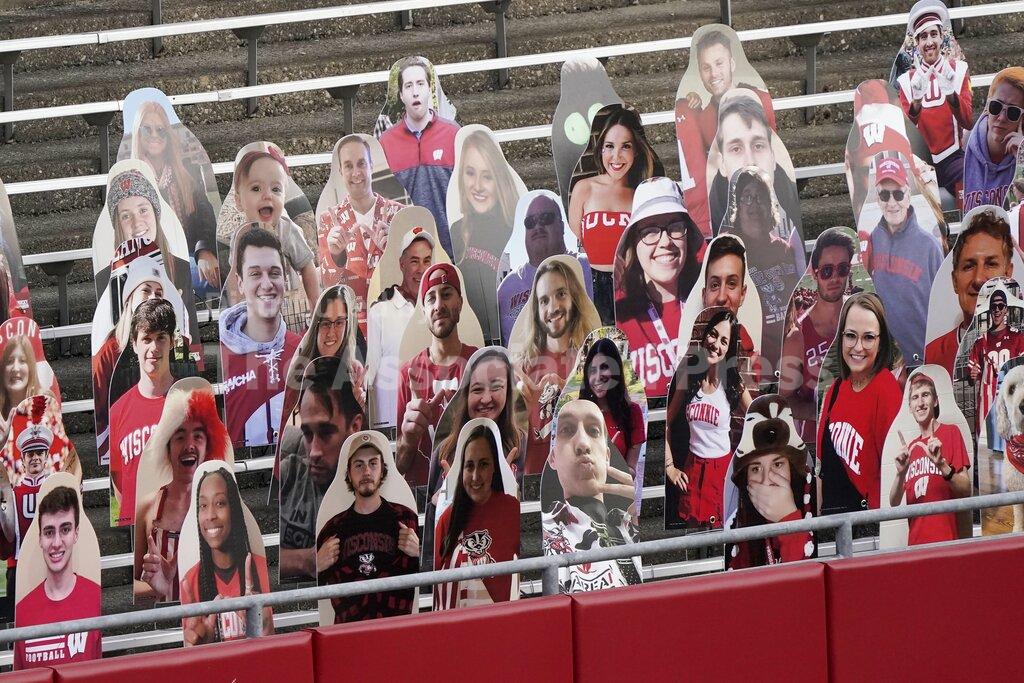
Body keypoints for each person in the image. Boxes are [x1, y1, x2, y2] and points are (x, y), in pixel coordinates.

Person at [422, 348, 525, 571]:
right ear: (465, 394)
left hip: (508, 574)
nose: (486, 398)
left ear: (508, 391)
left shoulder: (522, 447)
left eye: (496, 387)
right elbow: (432, 533)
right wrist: (443, 503)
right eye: (477, 389)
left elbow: (533, 524)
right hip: (456, 575)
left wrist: (505, 486)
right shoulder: (444, 451)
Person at [675, 28, 777, 235]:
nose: (714, 74)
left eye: (719, 63)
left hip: (765, 204)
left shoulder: (758, 98)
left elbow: (774, 152)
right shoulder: (701, 117)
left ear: (731, 64)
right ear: (700, 75)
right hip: (727, 211)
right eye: (706, 67)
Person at [134, 385, 229, 603]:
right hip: (164, 630)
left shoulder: (226, 506)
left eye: (198, 436)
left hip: (209, 628)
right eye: (179, 437)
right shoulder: (148, 507)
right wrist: (156, 586)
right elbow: (130, 587)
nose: (189, 445)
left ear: (208, 446)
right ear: (167, 448)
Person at [316, 432, 419, 623]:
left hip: (397, 634)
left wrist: (418, 553)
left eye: (373, 463)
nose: (366, 472)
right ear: (348, 472)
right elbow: (313, 593)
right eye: (359, 464)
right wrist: (317, 566)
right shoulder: (332, 530)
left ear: (382, 470)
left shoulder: (406, 519)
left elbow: (429, 578)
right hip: (349, 638)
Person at [568, 105, 657, 324]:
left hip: (634, 289)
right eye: (609, 146)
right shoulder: (583, 188)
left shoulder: (642, 194)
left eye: (625, 146)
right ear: (601, 150)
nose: (616, 156)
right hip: (591, 288)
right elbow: (573, 244)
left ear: (635, 150)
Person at [615, 177, 703, 397]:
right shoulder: (617, 313)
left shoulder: (711, 299)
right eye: (650, 231)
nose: (665, 242)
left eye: (675, 227)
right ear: (634, 244)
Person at [279, 356, 366, 581]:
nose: (314, 451)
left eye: (326, 432)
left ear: (354, 426)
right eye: (307, 433)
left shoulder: (374, 485)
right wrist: (307, 560)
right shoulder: (287, 475)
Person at [92, 255, 182, 467]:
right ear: (130, 298)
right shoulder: (108, 351)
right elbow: (101, 415)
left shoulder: (178, 344)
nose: (152, 297)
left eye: (158, 293)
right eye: (145, 290)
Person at [542, 399, 641, 592]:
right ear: (552, 458)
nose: (583, 444)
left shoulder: (630, 524)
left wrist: (638, 518)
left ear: (607, 455)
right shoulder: (547, 529)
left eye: (593, 431)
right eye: (567, 430)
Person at [665, 309, 752, 528]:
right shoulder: (688, 376)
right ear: (705, 336)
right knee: (695, 540)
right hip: (692, 470)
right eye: (713, 335)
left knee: (723, 537)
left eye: (724, 341)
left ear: (729, 349)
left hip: (723, 472)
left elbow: (758, 420)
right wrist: (669, 467)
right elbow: (666, 422)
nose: (716, 344)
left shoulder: (733, 383)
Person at [817, 293, 903, 514]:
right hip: (832, 525)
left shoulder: (886, 389)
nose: (857, 347)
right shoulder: (835, 390)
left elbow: (895, 474)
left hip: (867, 529)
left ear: (881, 341)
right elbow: (822, 472)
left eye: (868, 338)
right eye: (851, 336)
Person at [514, 256, 601, 474]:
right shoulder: (523, 368)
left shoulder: (595, 360)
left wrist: (571, 397)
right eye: (544, 300)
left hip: (584, 481)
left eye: (561, 294)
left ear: (575, 298)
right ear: (536, 309)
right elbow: (514, 445)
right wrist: (521, 413)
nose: (553, 307)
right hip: (538, 485)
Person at [395, 263, 479, 487]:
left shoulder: (481, 365)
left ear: (460, 303)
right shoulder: (408, 374)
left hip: (471, 495)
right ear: (423, 311)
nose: (439, 305)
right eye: (430, 298)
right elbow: (400, 466)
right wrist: (410, 438)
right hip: (426, 502)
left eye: (446, 294)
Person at [219, 227, 302, 448]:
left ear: (284, 279)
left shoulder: (305, 351)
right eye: (255, 274)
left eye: (274, 273)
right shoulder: (218, 356)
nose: (267, 284)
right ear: (240, 282)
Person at [128, 100, 220, 292]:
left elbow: (205, 213)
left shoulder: (186, 172)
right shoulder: (132, 179)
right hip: (151, 262)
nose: (155, 135)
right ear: (138, 133)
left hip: (189, 255)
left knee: (216, 275)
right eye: (147, 129)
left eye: (161, 130)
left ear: (168, 135)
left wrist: (203, 251)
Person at [317, 135, 404, 334]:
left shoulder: (398, 215)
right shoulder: (329, 221)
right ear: (340, 172)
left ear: (371, 166)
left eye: (361, 163)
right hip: (351, 331)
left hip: (396, 325)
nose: (356, 173)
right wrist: (336, 254)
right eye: (348, 166)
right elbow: (328, 285)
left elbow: (414, 276)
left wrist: (394, 251)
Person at [708, 92, 804, 269]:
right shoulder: (710, 214)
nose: (750, 161)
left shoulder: (794, 205)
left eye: (758, 146)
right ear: (722, 164)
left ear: (773, 156)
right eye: (736, 149)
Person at [181, 466, 274, 645]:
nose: (210, 516)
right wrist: (201, 647)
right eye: (203, 505)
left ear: (234, 510)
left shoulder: (259, 566)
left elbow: (269, 644)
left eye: (220, 503)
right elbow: (191, 649)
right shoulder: (190, 581)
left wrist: (259, 627)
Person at [864, 155, 943, 363]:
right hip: (886, 361)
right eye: (885, 195)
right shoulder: (873, 240)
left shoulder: (930, 246)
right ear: (877, 198)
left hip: (924, 357)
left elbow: (944, 306)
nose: (892, 203)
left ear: (908, 195)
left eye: (898, 194)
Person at [719, 167, 800, 368]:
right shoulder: (732, 252)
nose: (754, 203)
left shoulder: (784, 248)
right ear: (737, 206)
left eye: (760, 197)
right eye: (747, 197)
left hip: (790, 354)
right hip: (753, 359)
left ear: (770, 204)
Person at [780, 228, 856, 441]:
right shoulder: (798, 336)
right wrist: (825, 413)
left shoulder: (862, 319)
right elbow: (785, 400)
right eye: (826, 271)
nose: (835, 278)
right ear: (814, 273)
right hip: (818, 443)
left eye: (842, 269)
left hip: (860, 438)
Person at [379, 57, 460, 256]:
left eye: (420, 84)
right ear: (401, 95)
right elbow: (383, 203)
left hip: (450, 252)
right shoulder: (386, 143)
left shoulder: (454, 134)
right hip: (405, 257)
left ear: (429, 89)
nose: (415, 91)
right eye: (408, 86)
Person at [13, 486, 101, 669]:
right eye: (49, 532)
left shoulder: (95, 598)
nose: (56, 543)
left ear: (76, 533)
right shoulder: (22, 611)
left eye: (65, 530)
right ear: (40, 538)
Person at [434, 421, 520, 609]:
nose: (475, 476)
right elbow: (438, 595)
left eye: (483, 465)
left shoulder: (512, 509)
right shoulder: (446, 520)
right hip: (460, 631)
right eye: (469, 466)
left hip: (501, 627)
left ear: (495, 467)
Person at [726, 395, 816, 569]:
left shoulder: (814, 506)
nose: (767, 479)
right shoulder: (739, 524)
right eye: (755, 468)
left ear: (792, 470)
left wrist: (788, 521)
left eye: (778, 464)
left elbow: (806, 580)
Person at [109, 298, 177, 527]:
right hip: (135, 532)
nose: (154, 348)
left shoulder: (189, 401)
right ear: (134, 344)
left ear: (172, 342)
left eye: (161, 338)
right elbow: (118, 483)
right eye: (146, 339)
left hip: (179, 526)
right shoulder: (117, 411)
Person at [225, 149, 319, 313]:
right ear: (239, 202)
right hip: (255, 313)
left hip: (288, 311)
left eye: (276, 189)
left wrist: (315, 305)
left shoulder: (287, 230)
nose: (267, 195)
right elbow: (235, 278)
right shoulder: (240, 235)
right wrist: (237, 313)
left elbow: (307, 267)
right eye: (256, 189)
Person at [449, 128, 521, 344]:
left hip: (513, 338)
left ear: (499, 179)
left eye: (487, 176)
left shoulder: (515, 227)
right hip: (473, 340)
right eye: (470, 173)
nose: (478, 186)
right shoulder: (457, 231)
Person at [925, 207, 1015, 376]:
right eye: (969, 266)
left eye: (991, 264)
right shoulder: (934, 354)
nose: (979, 278)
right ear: (954, 281)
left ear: (1008, 274)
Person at [497, 191, 592, 345]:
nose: (538, 226)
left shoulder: (589, 268)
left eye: (546, 218)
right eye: (530, 222)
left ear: (561, 226)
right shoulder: (506, 288)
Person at [889, 372, 971, 545]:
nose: (920, 403)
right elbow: (894, 502)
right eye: (915, 398)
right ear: (910, 407)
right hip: (916, 546)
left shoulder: (951, 433)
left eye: (925, 395)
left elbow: (966, 490)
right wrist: (900, 474)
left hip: (946, 542)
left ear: (935, 401)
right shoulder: (911, 448)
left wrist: (941, 464)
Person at [366, 227, 434, 430]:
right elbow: (370, 376)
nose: (421, 269)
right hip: (393, 426)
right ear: (402, 264)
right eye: (414, 261)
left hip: (431, 425)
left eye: (427, 260)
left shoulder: (438, 311)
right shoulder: (379, 312)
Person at [967, 287, 1024, 452]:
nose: (997, 310)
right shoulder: (981, 341)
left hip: (1011, 399)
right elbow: (972, 371)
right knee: (996, 452)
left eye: (1000, 306)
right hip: (989, 400)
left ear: (1006, 309)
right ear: (990, 309)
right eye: (994, 306)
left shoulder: (1017, 337)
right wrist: (973, 374)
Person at [578, 337, 646, 475]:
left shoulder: (632, 413)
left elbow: (632, 472)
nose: (598, 377)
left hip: (616, 494)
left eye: (604, 367)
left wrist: (611, 464)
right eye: (592, 370)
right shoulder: (578, 413)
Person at [698, 234, 761, 382]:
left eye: (731, 283)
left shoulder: (757, 366)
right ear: (703, 295)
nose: (721, 297)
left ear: (742, 294)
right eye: (714, 285)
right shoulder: (687, 360)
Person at [963, 68, 1024, 211]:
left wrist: (1022, 158)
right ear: (987, 107)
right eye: (996, 106)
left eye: (1013, 112)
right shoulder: (963, 145)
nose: (1001, 118)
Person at [0, 335, 54, 436]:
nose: (15, 368)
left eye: (23, 361)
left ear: (31, 368)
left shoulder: (47, 402)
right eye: (9, 361)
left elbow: (58, 448)